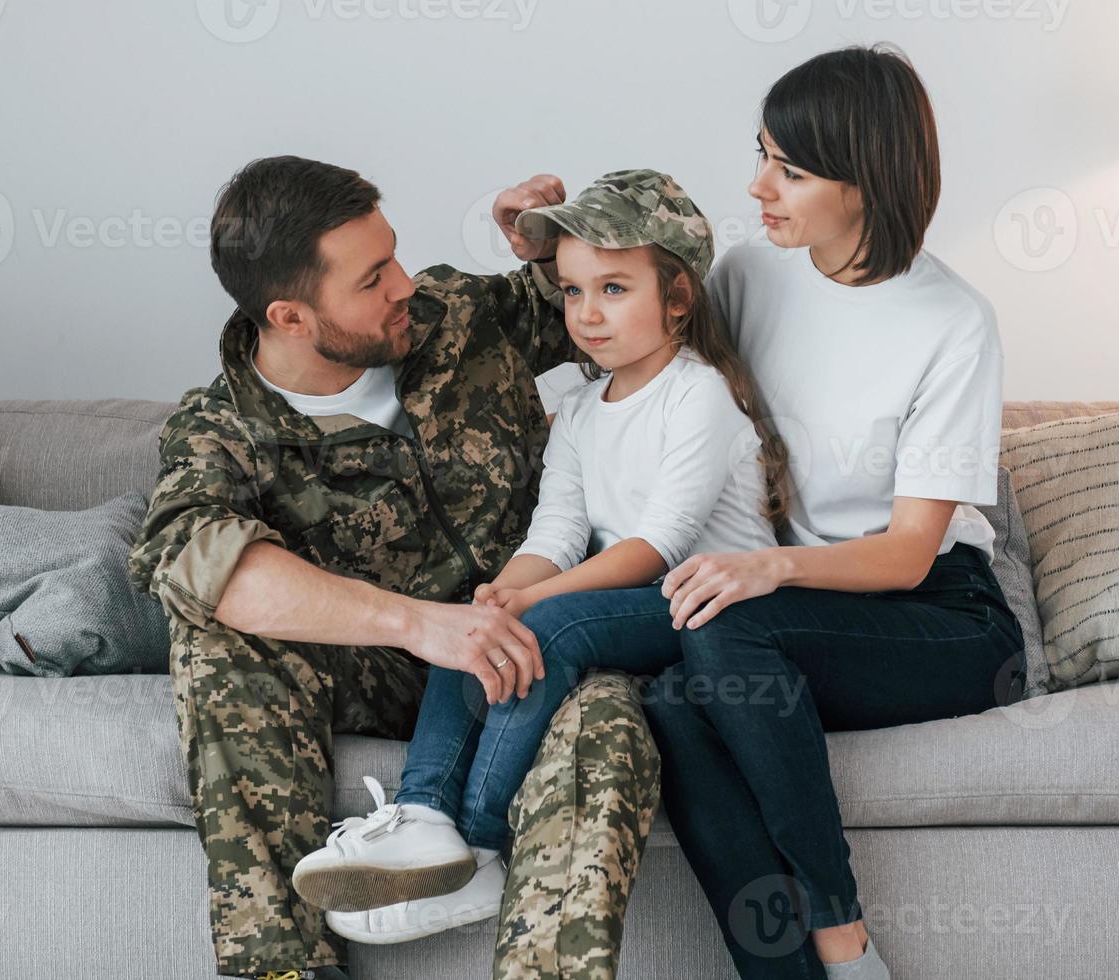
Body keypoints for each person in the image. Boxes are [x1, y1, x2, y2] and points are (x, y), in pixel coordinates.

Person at [125, 155, 660, 980]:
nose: (406, 283)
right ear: (291, 316)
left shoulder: (453, 315)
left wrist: (554, 246)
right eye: (373, 279)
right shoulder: (219, 429)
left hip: (540, 642)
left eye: (396, 255)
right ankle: (284, 969)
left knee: (610, 718)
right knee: (215, 642)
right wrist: (422, 624)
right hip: (380, 670)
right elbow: (197, 559)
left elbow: (639, 299)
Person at [287, 170, 792, 947]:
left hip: (713, 607)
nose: (587, 316)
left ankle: (484, 848)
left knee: (551, 630)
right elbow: (553, 536)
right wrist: (500, 595)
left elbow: (653, 546)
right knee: (472, 620)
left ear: (678, 299)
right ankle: (423, 815)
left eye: (615, 289)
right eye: (572, 292)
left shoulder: (701, 396)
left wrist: (532, 606)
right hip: (638, 604)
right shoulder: (585, 411)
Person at [637, 45, 1027, 980]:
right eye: (763, 154)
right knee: (672, 699)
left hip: (941, 617)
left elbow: (904, 554)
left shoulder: (952, 322)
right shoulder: (744, 278)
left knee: (725, 632)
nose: (759, 186)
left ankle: (842, 937)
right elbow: (623, 348)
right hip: (795, 618)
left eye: (792, 170)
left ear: (868, 185)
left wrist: (766, 566)